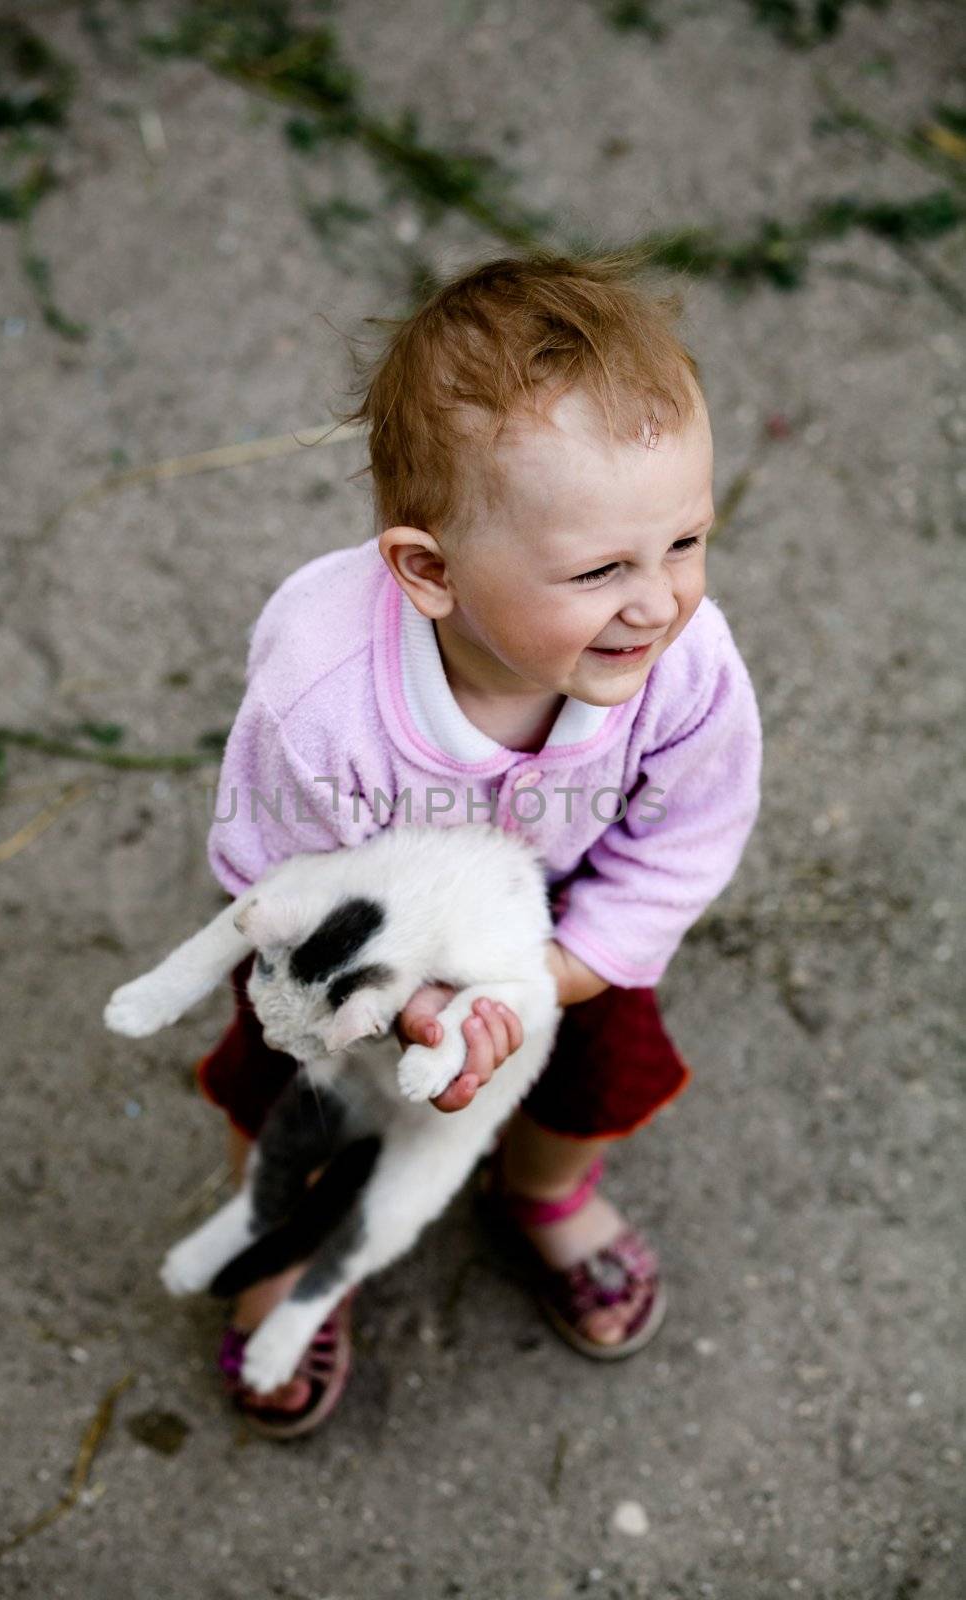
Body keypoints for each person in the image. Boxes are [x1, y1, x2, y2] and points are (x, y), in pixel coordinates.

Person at [195, 248, 763, 1436]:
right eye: (601, 567)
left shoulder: (680, 668)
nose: (656, 601)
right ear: (429, 569)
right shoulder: (322, 696)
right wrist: (398, 1001)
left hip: (563, 940)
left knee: (587, 1077)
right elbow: (279, 884)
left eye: (684, 542)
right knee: (303, 1099)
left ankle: (542, 1189)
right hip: (358, 967)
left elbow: (689, 832)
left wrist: (556, 974)